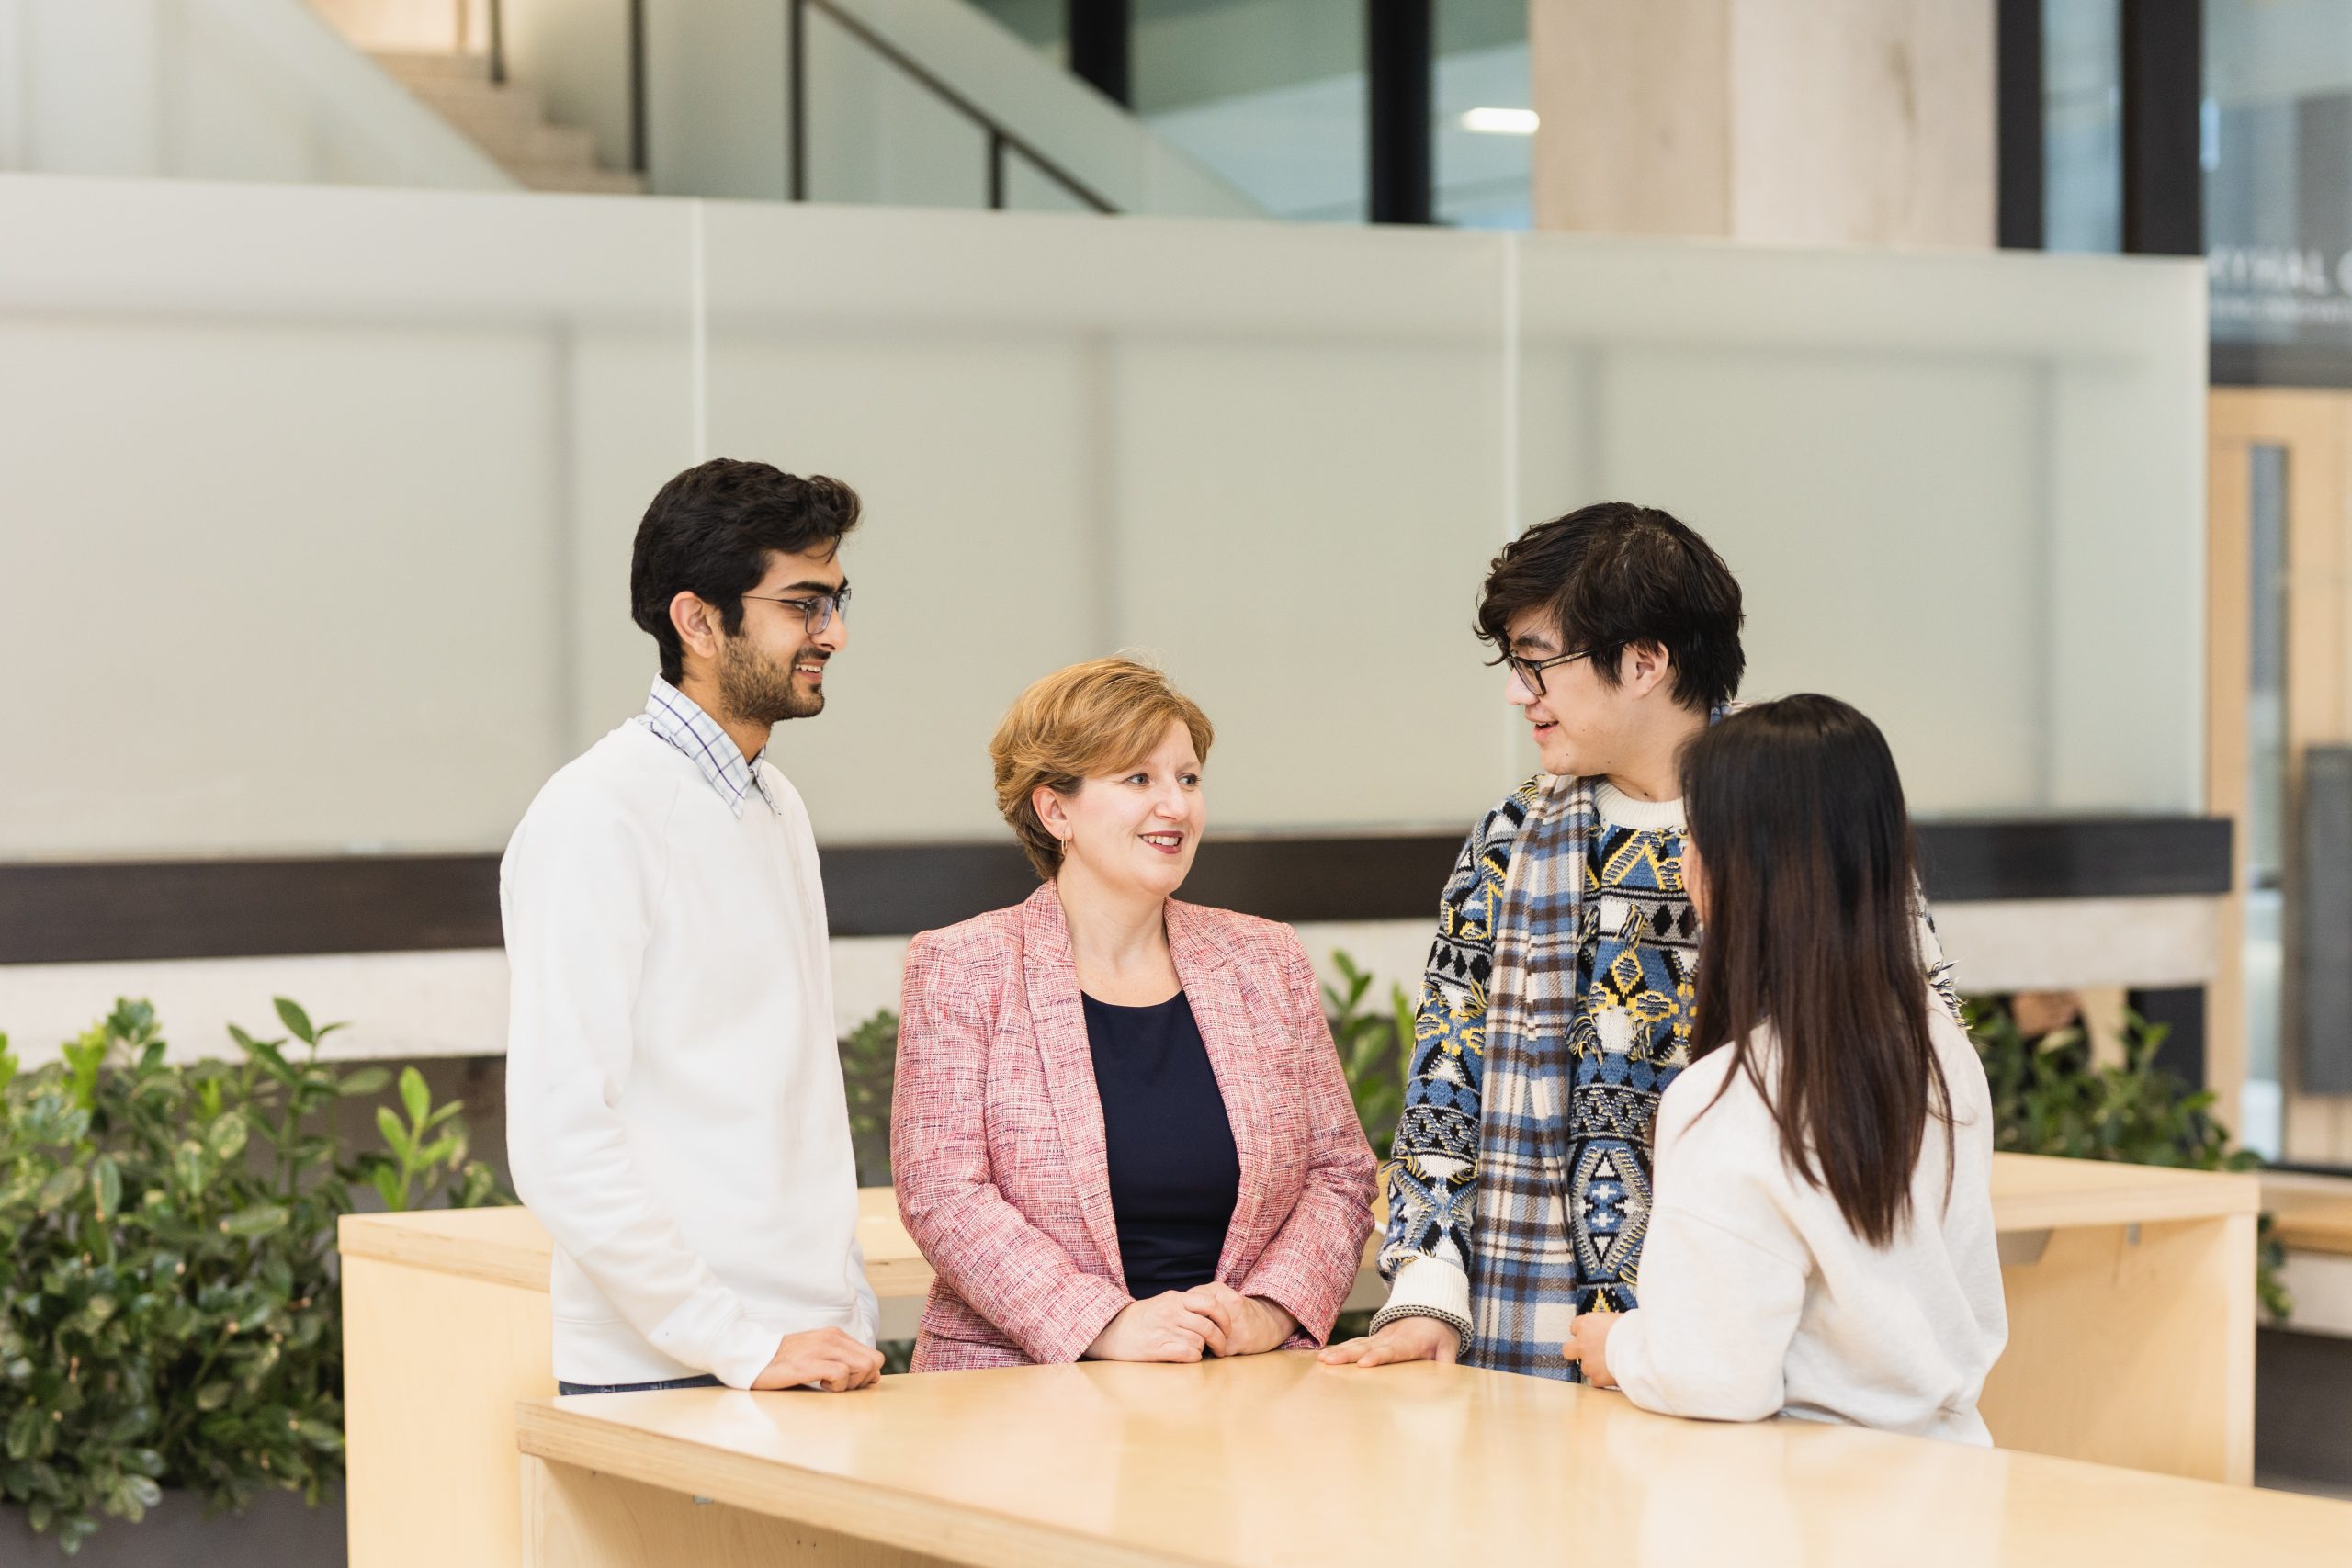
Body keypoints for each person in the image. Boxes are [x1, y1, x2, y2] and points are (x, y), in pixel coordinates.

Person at [1321, 502, 1956, 1380]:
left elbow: (1909, 1060)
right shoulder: (1510, 840)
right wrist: (1429, 1284)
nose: (1517, 692)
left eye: (1537, 663)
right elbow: (1445, 1070)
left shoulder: (1805, 823)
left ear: (1646, 660)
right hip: (1539, 1332)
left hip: (1768, 1350)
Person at [503, 458, 884, 1396]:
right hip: (675, 1370)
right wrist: (736, 1343)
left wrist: (839, 1311)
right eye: (802, 604)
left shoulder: (774, 801)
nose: (832, 634)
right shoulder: (598, 813)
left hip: (805, 1351)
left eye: (835, 601)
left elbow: (784, 1094)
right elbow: (560, 1137)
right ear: (698, 620)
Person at [892, 657, 1377, 1371]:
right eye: (1138, 779)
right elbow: (942, 1191)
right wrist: (1108, 1324)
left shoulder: (1264, 959)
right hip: (1022, 1395)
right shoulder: (963, 967)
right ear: (1054, 808)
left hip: (1242, 1388)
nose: (1176, 806)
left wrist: (1267, 1312)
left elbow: (1339, 1171)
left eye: (1187, 778)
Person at [1563, 696, 2007, 1443]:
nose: (1683, 859)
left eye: (1696, 835)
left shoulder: (1729, 1097)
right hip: (1951, 1474)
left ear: (1743, 868)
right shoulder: (1940, 1048)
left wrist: (1622, 1349)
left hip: (1800, 1497)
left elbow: (1715, 1375)